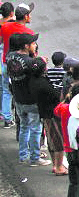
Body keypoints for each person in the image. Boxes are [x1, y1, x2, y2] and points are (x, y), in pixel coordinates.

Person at [6, 33, 52, 166]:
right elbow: (40, 69)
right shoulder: (29, 62)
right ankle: (35, 158)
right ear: (26, 46)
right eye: (33, 43)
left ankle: (23, 155)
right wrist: (41, 61)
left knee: (24, 127)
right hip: (31, 101)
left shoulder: (10, 57)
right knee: (36, 129)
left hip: (18, 99)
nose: (35, 45)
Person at [29, 57, 66, 174]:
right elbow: (56, 96)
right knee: (58, 140)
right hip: (52, 113)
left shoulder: (32, 81)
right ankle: (59, 167)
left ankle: (55, 164)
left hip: (44, 112)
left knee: (50, 139)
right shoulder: (44, 85)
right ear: (43, 70)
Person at [1, 3, 35, 128]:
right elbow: (33, 53)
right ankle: (21, 119)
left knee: (6, 91)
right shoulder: (29, 33)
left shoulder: (5, 27)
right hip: (22, 66)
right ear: (25, 17)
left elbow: (1, 41)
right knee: (21, 92)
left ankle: (7, 118)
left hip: (6, 63)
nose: (30, 16)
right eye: (29, 14)